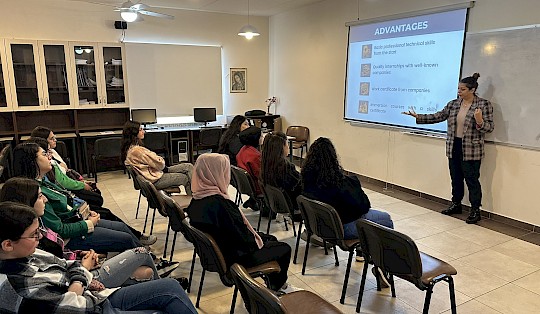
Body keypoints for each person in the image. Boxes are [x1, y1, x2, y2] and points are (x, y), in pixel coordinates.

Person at [0, 202, 197, 313]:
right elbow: (74, 307)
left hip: (94, 293)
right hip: (95, 306)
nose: (40, 237)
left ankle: (151, 273)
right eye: (34, 234)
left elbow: (67, 264)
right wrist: (82, 278)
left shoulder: (29, 251)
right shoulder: (18, 284)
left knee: (170, 288)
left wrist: (78, 279)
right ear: (7, 244)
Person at [0, 177, 175, 288]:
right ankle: (160, 282)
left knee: (141, 263)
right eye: (39, 196)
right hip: (83, 276)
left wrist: (79, 255)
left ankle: (159, 283)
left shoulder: (35, 231)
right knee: (141, 256)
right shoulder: (29, 249)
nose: (45, 198)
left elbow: (59, 258)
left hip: (78, 267)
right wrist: (84, 268)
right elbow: (66, 290)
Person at [186, 153, 294, 293]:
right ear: (216, 174)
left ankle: (272, 284)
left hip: (222, 253)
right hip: (237, 258)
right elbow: (245, 240)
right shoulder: (222, 205)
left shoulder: (196, 200)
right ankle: (279, 287)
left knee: (270, 239)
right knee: (284, 248)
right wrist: (257, 239)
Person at [12, 142, 143, 253]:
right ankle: (145, 262)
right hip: (71, 237)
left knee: (122, 227)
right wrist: (88, 223)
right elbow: (60, 230)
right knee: (124, 238)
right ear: (31, 161)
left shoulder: (44, 181)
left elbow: (67, 203)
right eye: (44, 154)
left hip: (77, 221)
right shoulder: (34, 193)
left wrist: (85, 214)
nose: (49, 157)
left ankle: (148, 259)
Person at [402, 73, 494, 224]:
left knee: (472, 181)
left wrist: (480, 121)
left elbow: (489, 128)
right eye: (458, 89)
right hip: (454, 146)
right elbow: (439, 116)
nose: (459, 92)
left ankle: (475, 210)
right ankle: (456, 204)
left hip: (471, 150)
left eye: (463, 89)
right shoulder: (454, 104)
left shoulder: (484, 105)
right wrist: (418, 117)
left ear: (472, 90)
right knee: (456, 179)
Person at [301, 137, 394, 287]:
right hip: (342, 230)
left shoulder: (307, 180)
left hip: (322, 227)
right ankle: (383, 266)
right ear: (333, 158)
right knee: (385, 219)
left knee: (369, 220)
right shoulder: (343, 183)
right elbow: (364, 207)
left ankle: (364, 253)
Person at [122, 120, 193, 193]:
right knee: (185, 178)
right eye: (141, 130)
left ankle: (200, 195)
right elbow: (160, 164)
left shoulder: (130, 149)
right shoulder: (137, 151)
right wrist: (158, 157)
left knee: (188, 166)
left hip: (154, 173)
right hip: (155, 179)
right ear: (133, 133)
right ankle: (195, 200)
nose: (143, 132)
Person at [261, 131, 302, 215]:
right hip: (291, 205)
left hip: (275, 203)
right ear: (281, 148)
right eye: (286, 144)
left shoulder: (265, 164)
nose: (288, 147)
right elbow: (300, 186)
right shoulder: (285, 168)